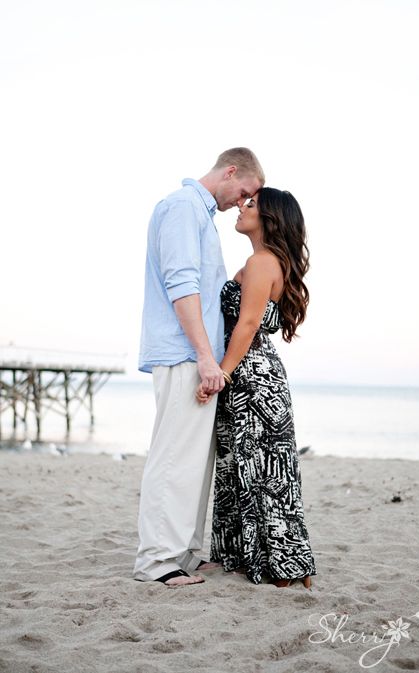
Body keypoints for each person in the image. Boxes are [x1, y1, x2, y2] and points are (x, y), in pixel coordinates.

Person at [135, 148, 265, 587]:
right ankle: (157, 562)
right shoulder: (181, 208)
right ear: (231, 171)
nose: (243, 202)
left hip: (195, 354)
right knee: (173, 457)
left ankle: (184, 553)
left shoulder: (201, 216)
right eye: (244, 191)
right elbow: (181, 285)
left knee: (193, 462)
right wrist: (206, 356)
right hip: (184, 353)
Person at [196, 187, 316, 588]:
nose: (242, 207)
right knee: (255, 468)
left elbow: (247, 325)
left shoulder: (262, 261)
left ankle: (280, 566)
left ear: (268, 218)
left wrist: (221, 376)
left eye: (251, 205)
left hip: (251, 379)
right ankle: (260, 559)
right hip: (259, 376)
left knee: (262, 470)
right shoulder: (268, 261)